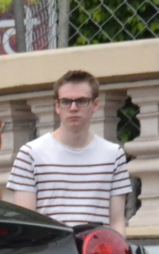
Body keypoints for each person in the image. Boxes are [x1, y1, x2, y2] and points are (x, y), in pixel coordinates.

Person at [7, 70, 132, 234]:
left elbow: (117, 223)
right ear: (57, 106)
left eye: (81, 101)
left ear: (95, 105)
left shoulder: (113, 154)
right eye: (66, 101)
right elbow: (26, 224)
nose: (73, 108)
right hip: (50, 252)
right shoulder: (31, 154)